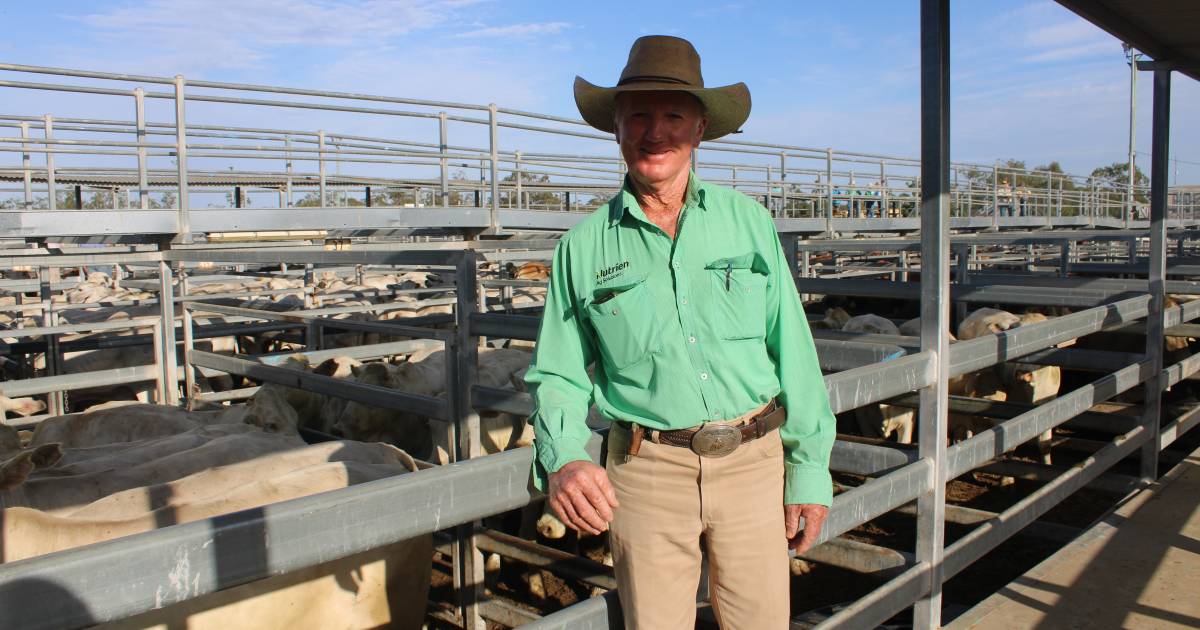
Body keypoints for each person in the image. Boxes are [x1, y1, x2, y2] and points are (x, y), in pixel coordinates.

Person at [524, 35, 835, 629]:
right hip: (646, 474)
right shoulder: (581, 249)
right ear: (616, 127)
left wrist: (810, 469)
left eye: (672, 116)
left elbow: (792, 350)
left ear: (698, 129)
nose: (655, 132)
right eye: (638, 115)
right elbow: (558, 372)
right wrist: (562, 455)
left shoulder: (749, 224)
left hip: (754, 464)